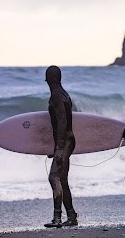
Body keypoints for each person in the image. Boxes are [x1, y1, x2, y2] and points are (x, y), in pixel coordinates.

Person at [44, 65, 78, 228]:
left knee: (53, 178)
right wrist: (56, 148)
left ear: (49, 79)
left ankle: (57, 219)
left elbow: (63, 123)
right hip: (68, 141)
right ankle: (71, 217)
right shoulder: (63, 94)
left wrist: (59, 148)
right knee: (62, 180)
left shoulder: (57, 96)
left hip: (65, 142)